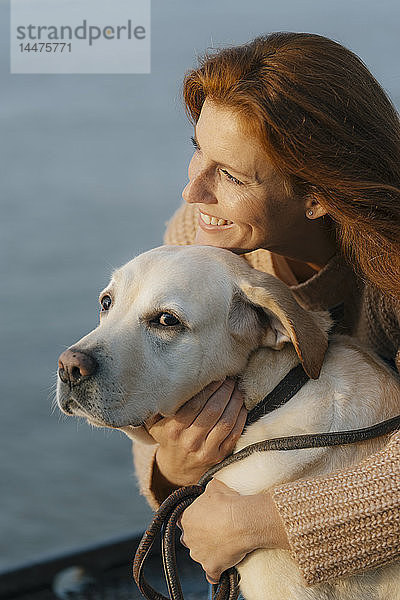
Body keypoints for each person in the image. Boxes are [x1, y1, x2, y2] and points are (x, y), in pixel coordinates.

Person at [133, 32, 400, 587]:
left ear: (318, 196)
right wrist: (172, 466)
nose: (192, 192)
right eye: (197, 149)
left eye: (230, 175)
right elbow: (162, 387)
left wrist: (261, 523)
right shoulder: (202, 241)